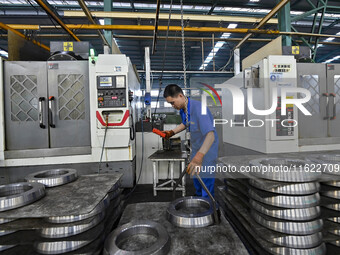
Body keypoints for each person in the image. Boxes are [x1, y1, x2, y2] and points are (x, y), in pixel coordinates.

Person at [163, 84, 218, 197]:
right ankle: (198, 200)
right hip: (197, 147)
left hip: (206, 149)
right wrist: (172, 132)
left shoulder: (198, 109)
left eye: (172, 102)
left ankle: (209, 206)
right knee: (196, 176)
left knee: (206, 179)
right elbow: (186, 123)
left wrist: (199, 156)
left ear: (180, 96)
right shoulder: (183, 109)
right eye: (170, 104)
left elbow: (210, 135)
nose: (172, 106)